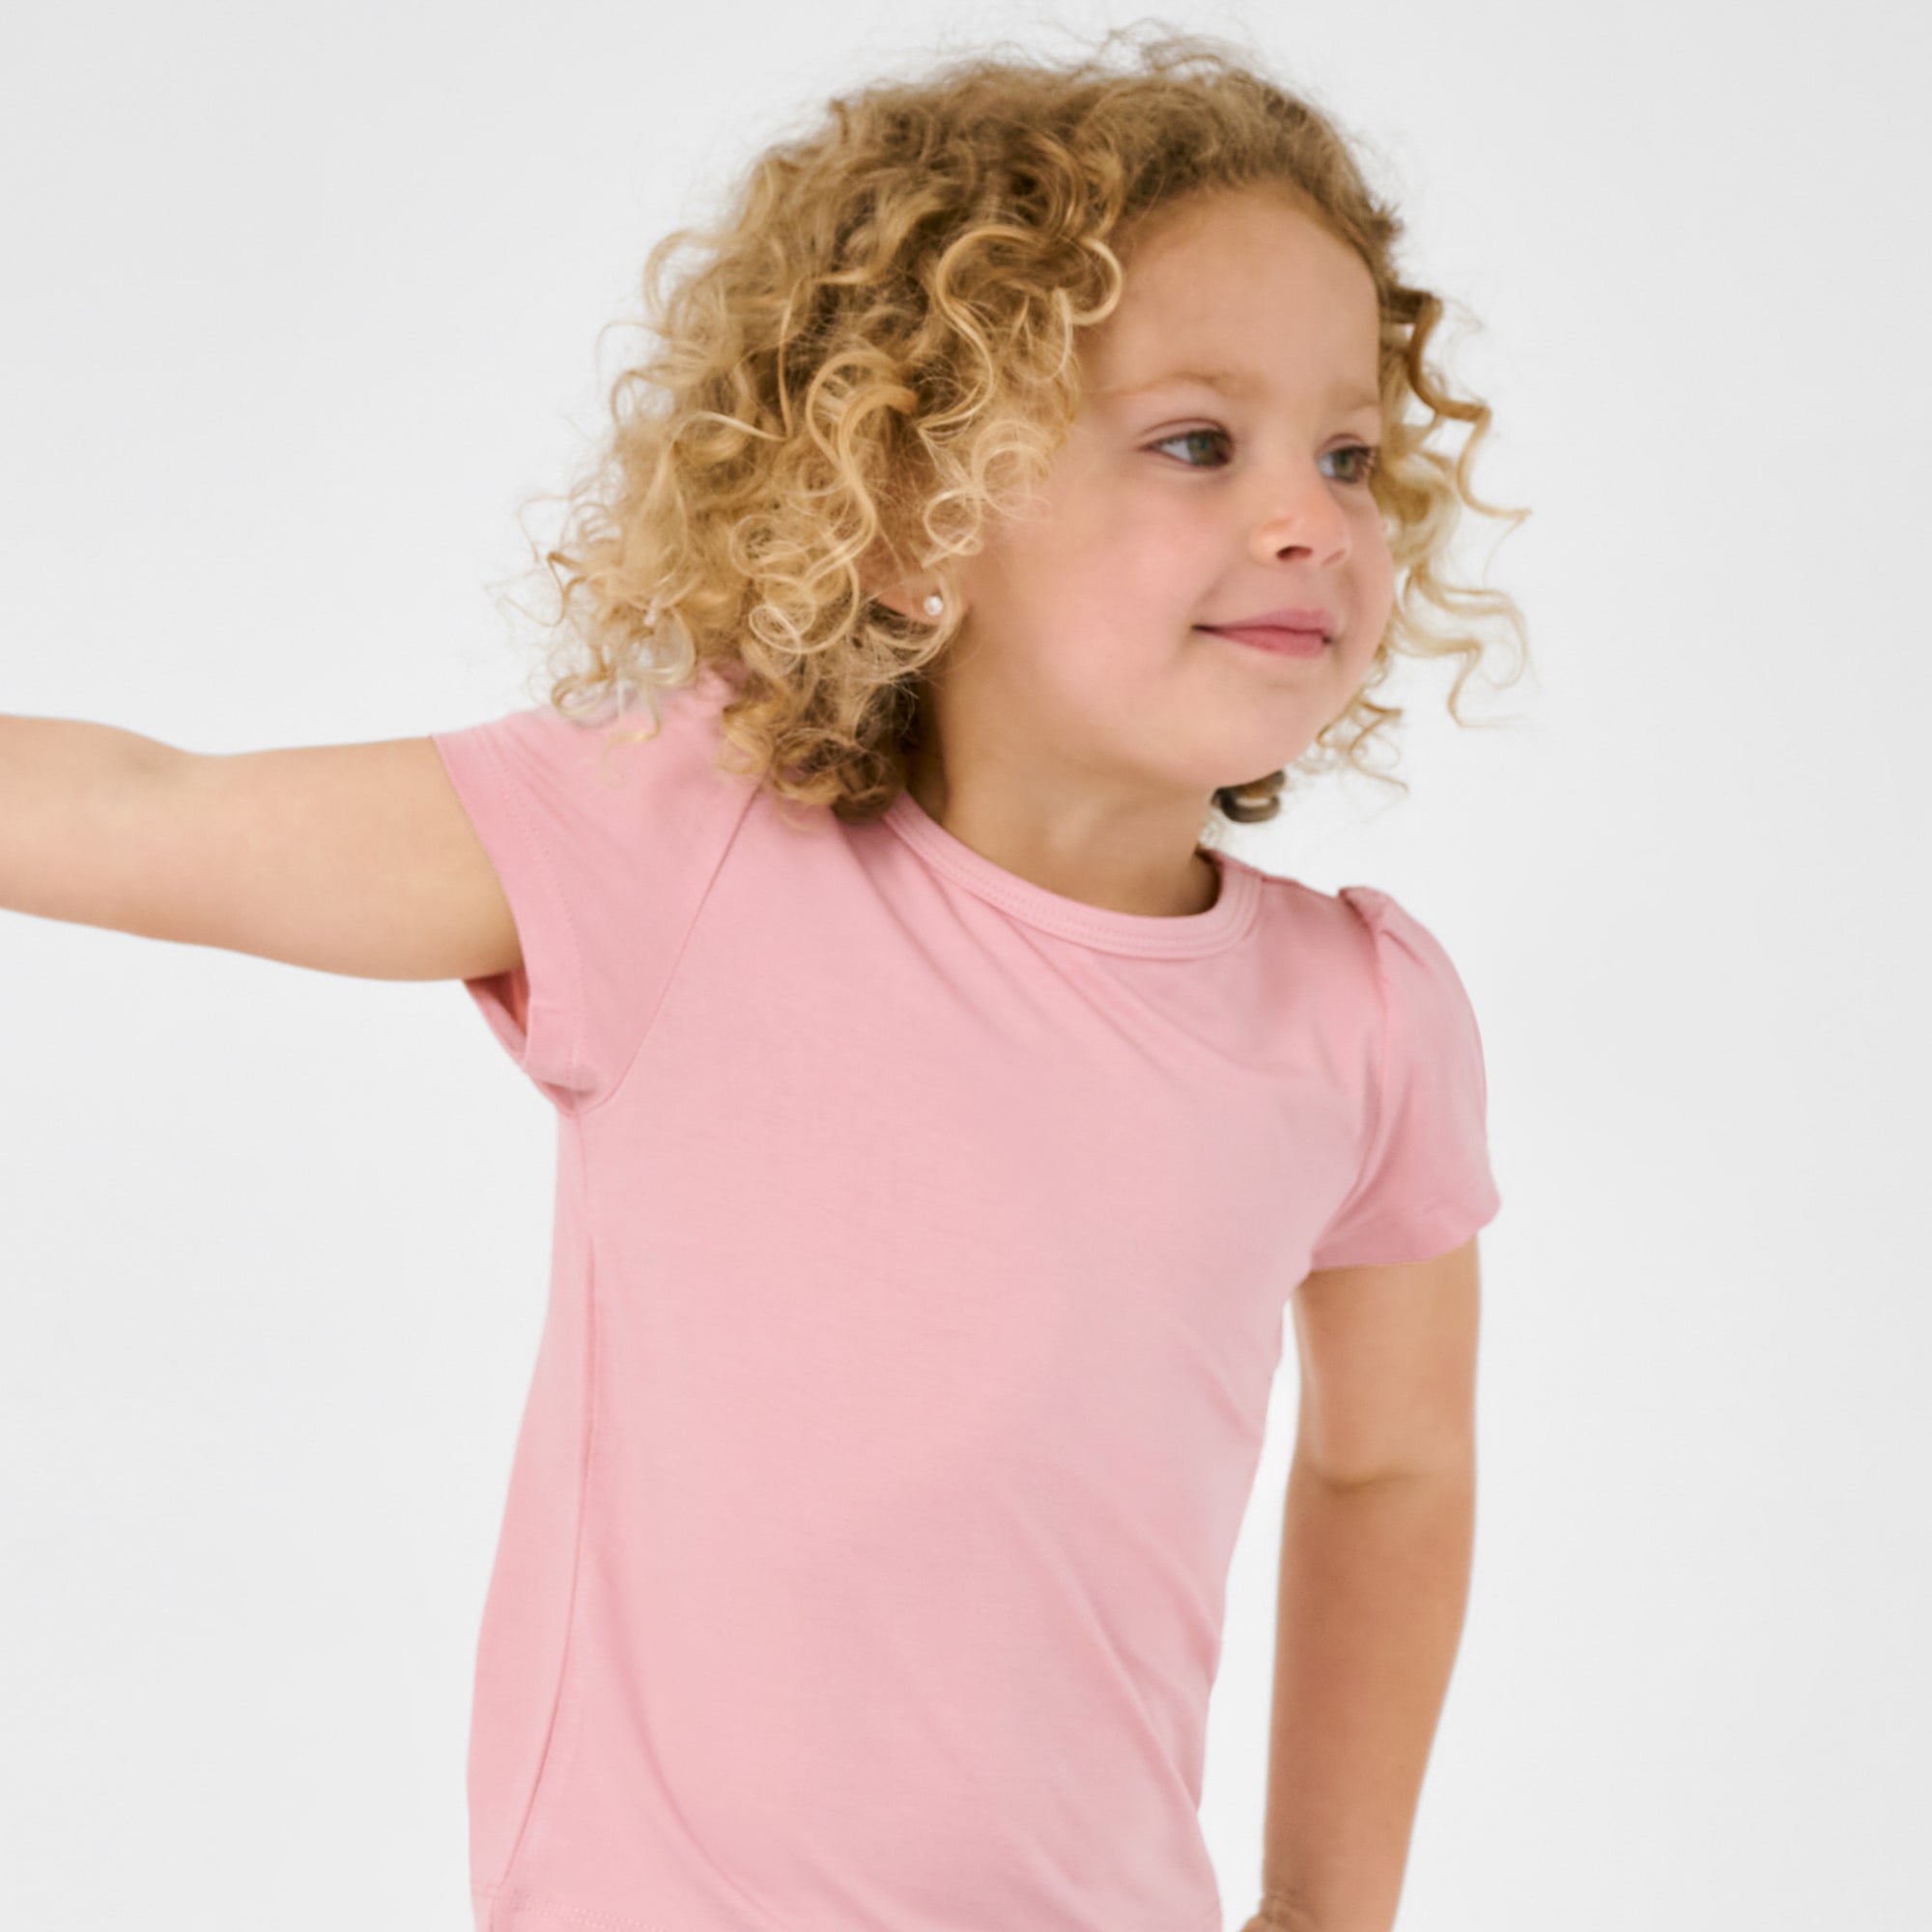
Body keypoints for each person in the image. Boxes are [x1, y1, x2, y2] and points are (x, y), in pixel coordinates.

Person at [0, 25, 1529, 1932]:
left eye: (1350, 453)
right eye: (1195, 442)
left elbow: (1393, 1465)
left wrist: (1327, 1910)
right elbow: (152, 812)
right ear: (903, 521)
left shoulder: (1360, 1016)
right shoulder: (676, 843)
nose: (1311, 514)